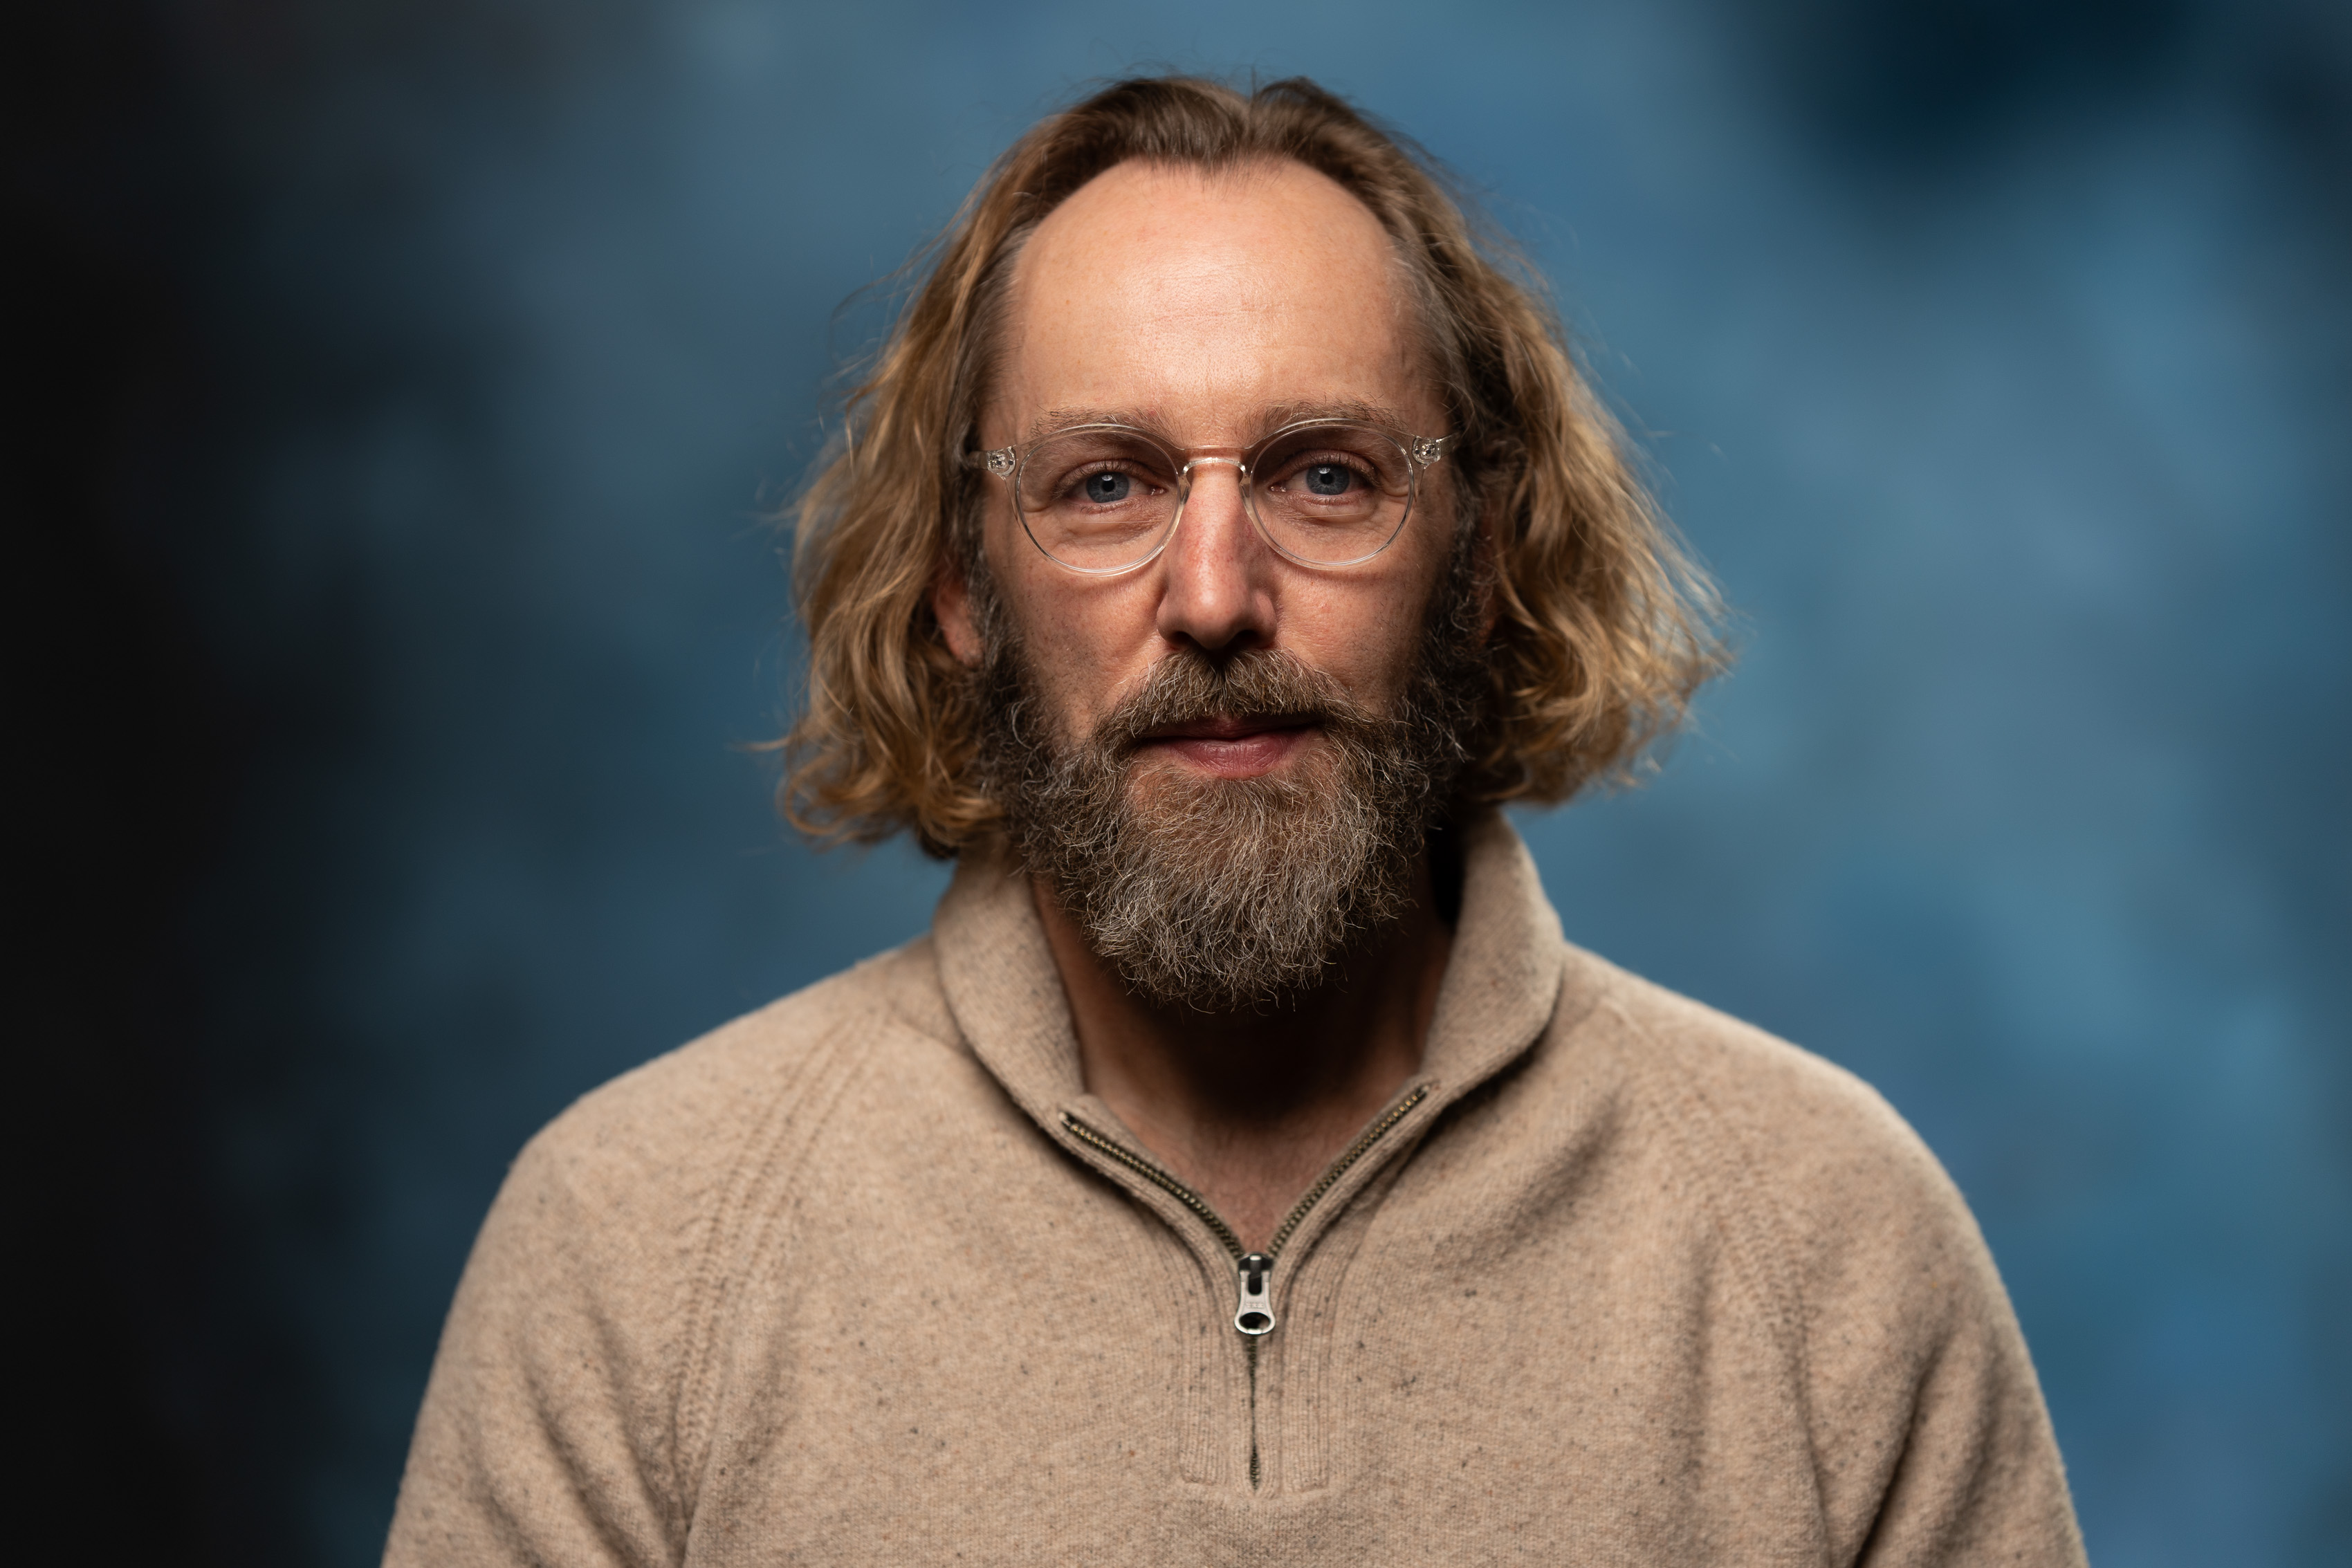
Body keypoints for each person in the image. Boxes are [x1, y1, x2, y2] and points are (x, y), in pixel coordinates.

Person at [385, 75, 2085, 1565]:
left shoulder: (1829, 1247)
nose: (1213, 595)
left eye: (1323, 476)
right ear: (961, 584)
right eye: (1105, 484)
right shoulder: (637, 1255)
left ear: (1482, 557)